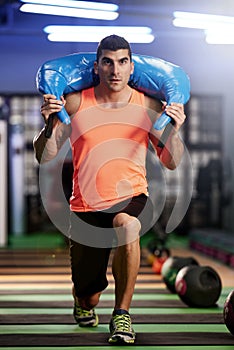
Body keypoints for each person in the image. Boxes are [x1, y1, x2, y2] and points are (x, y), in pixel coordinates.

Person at [33, 34, 186, 345]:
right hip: (85, 207)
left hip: (132, 196)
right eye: (108, 62)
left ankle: (122, 314)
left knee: (127, 225)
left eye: (122, 62)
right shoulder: (76, 102)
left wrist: (174, 130)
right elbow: (45, 156)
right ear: (97, 66)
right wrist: (50, 122)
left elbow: (171, 162)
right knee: (88, 296)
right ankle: (83, 300)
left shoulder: (149, 105)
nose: (115, 70)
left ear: (132, 68)